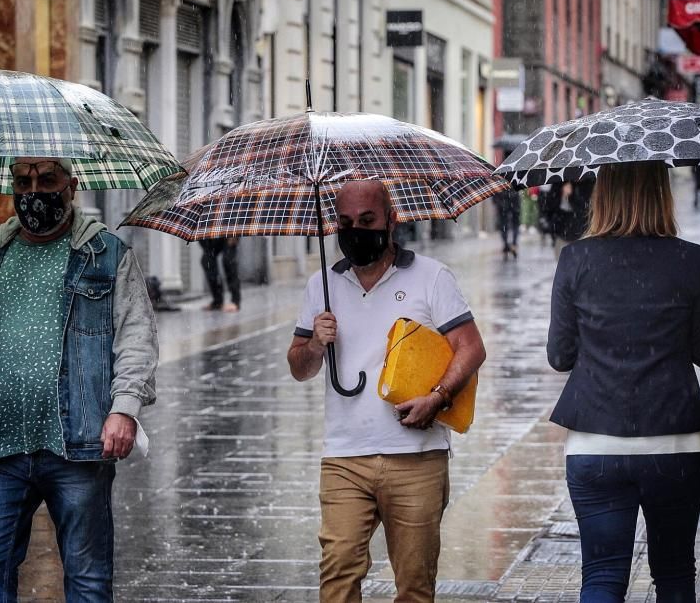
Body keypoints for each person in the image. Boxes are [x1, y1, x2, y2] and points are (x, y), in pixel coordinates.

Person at [0, 158, 158, 602]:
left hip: (77, 447)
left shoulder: (108, 254)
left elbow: (137, 337)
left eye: (47, 180)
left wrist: (124, 410)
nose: (34, 191)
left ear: (71, 186)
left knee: (87, 574)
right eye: (23, 181)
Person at [286, 180, 486, 602]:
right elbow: (298, 368)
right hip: (344, 456)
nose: (355, 230)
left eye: (366, 221)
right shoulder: (321, 285)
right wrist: (315, 344)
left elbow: (470, 348)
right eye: (344, 222)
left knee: (414, 585)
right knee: (337, 574)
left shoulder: (431, 277)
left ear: (392, 221)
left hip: (416, 458)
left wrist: (438, 396)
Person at [546, 162, 700, 601]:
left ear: (602, 195)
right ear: (662, 194)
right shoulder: (691, 259)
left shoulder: (576, 258)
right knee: (677, 573)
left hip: (595, 445)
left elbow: (559, 356)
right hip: (675, 445)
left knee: (602, 576)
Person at [548, 179, 595, 259]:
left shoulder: (587, 182)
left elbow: (585, 208)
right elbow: (550, 205)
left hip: (580, 235)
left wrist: (570, 196)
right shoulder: (559, 181)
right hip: (560, 233)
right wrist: (561, 194)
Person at [200, 237, 241, 312]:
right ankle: (218, 301)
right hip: (210, 234)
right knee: (207, 260)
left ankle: (235, 301)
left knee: (228, 260)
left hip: (228, 230)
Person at [493, 188, 521, 258]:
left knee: (504, 225)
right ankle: (514, 244)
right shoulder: (514, 178)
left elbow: (494, 195)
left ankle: (506, 244)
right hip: (514, 201)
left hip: (502, 202)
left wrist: (496, 201)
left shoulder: (497, 179)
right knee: (515, 224)